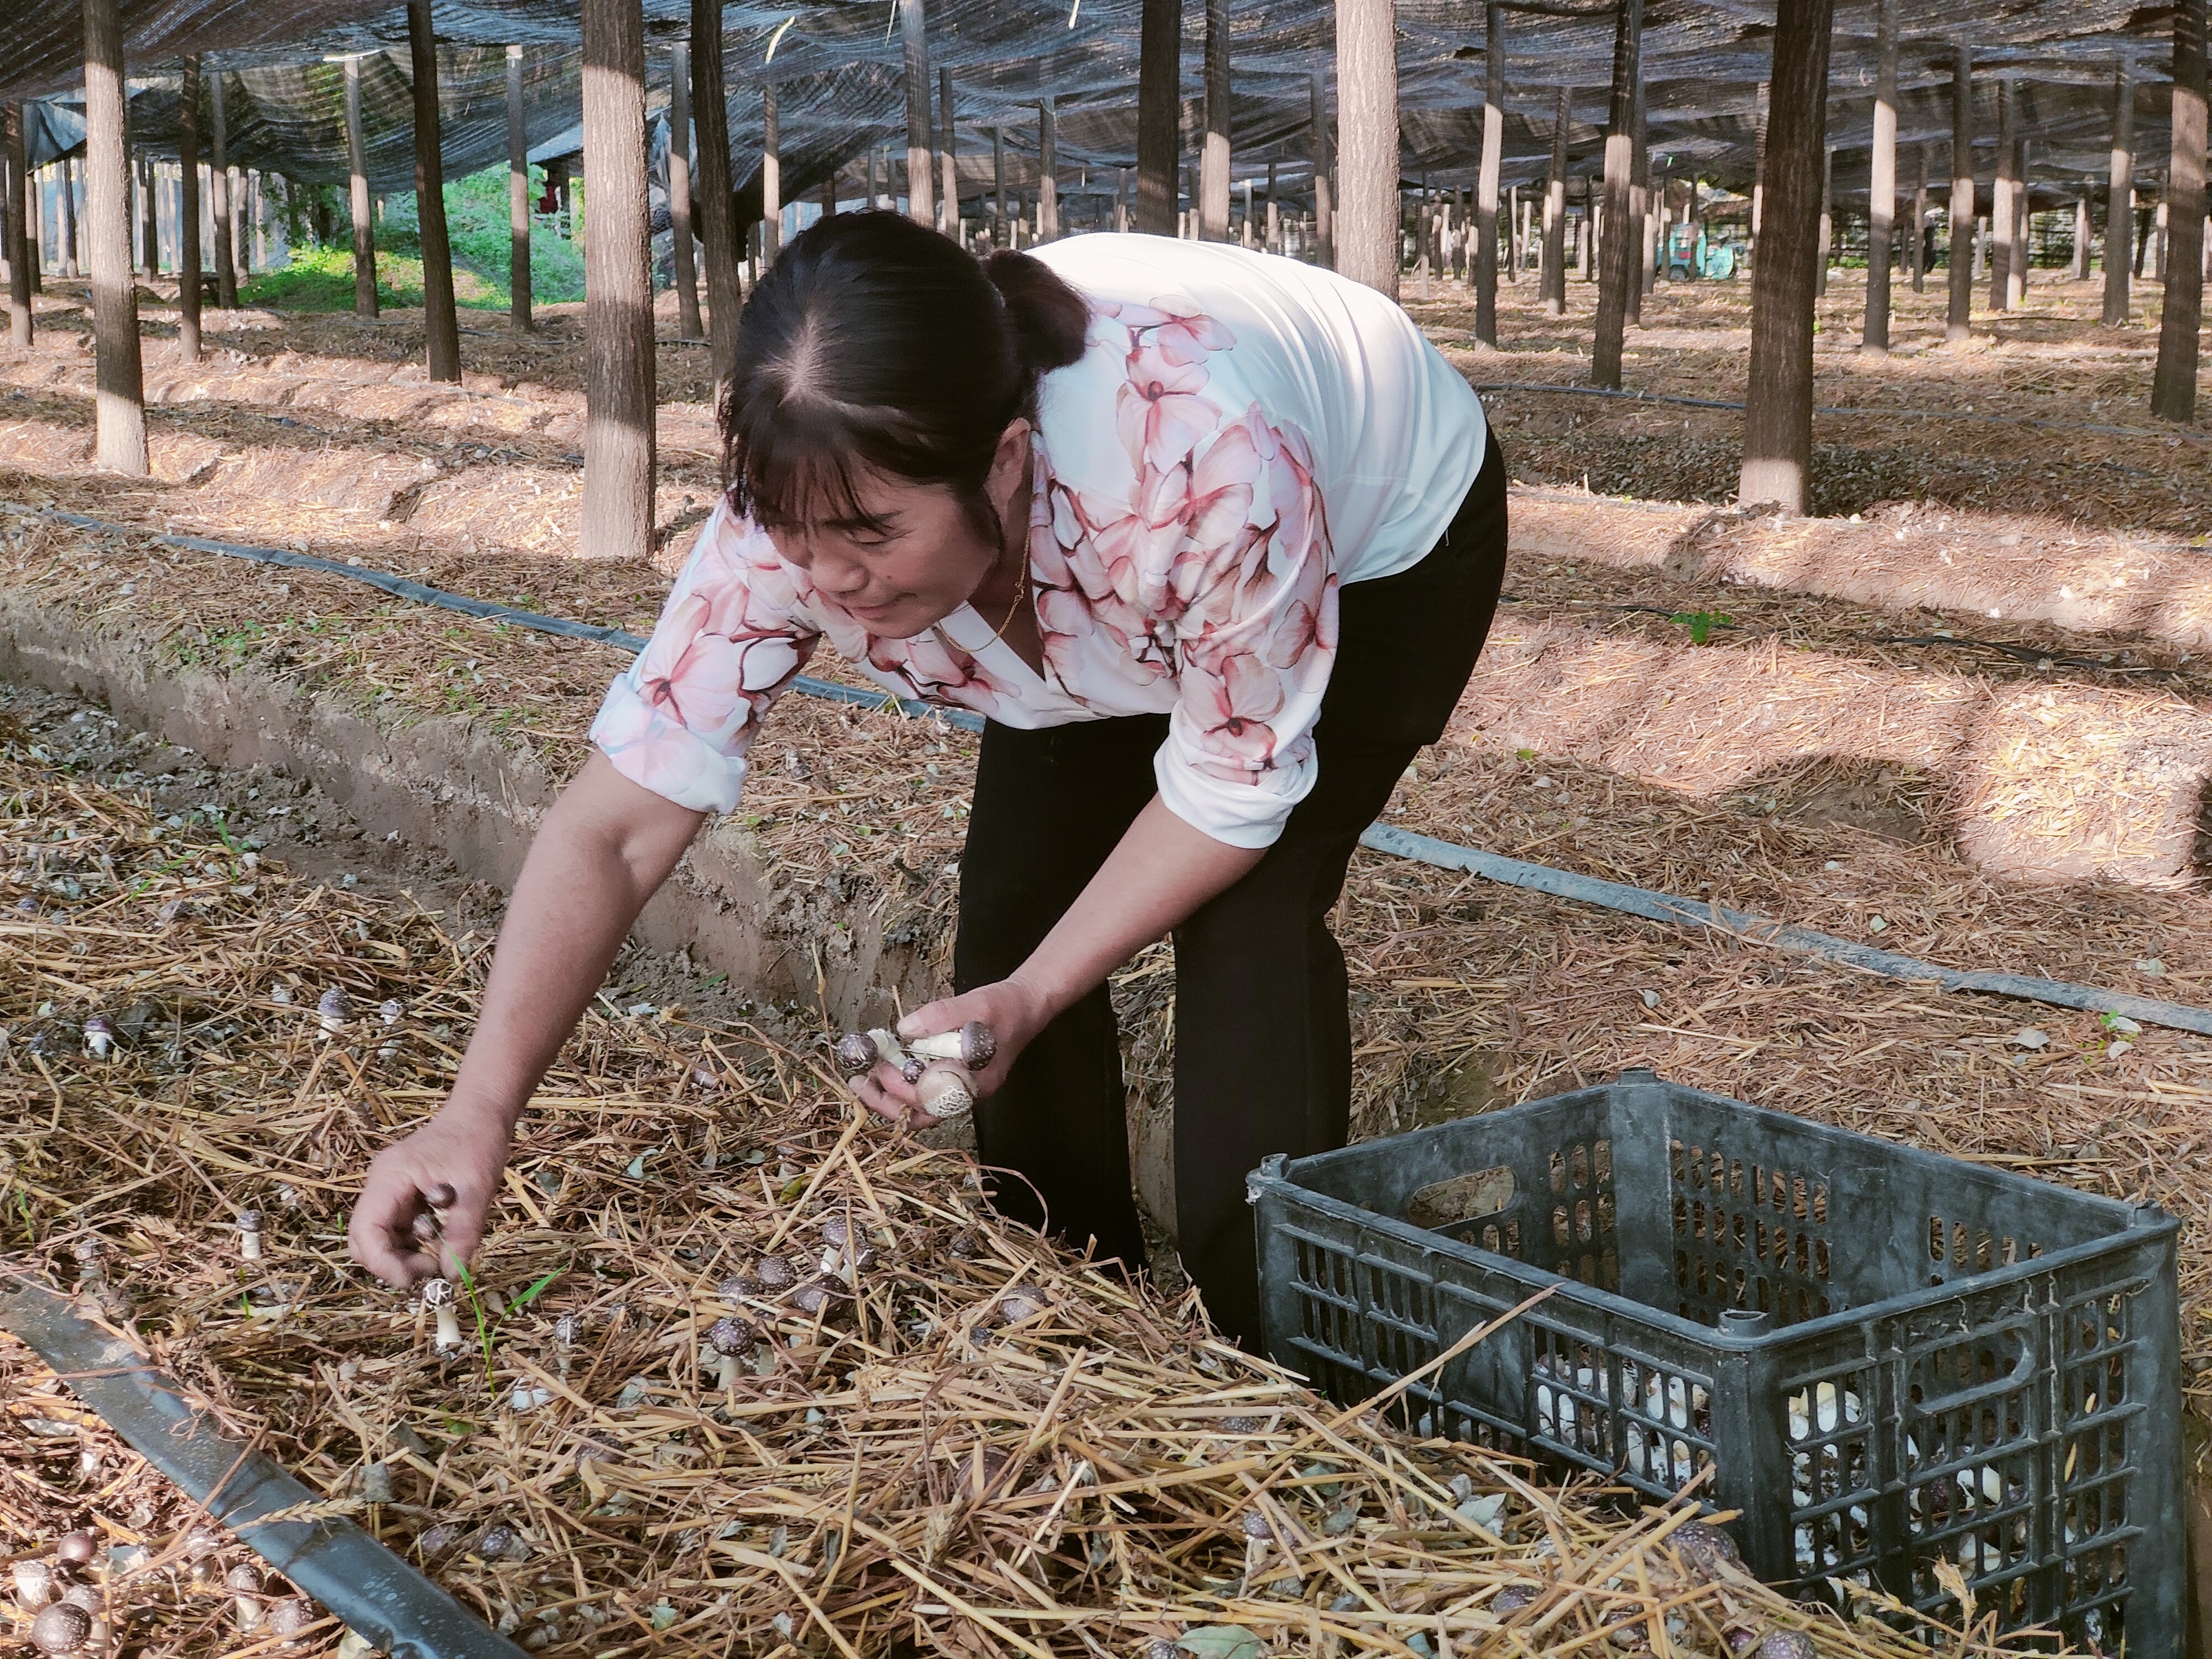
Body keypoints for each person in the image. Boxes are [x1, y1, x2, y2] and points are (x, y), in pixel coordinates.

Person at [347, 211, 1506, 1350]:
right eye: (799, 542)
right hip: (1095, 574)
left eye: (868, 534)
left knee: (1247, 918)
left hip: (1383, 536)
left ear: (1001, 461)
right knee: (1011, 913)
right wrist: (475, 1114)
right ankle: (1068, 1307)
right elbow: (616, 826)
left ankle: (1276, 1349)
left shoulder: (1202, 465)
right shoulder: (796, 521)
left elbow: (1229, 791)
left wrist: (1041, 995)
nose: (833, 580)